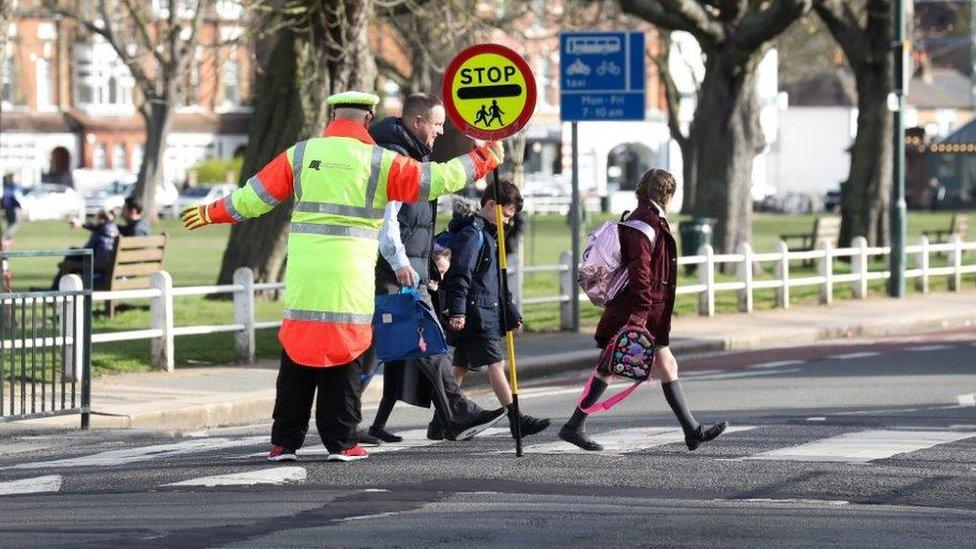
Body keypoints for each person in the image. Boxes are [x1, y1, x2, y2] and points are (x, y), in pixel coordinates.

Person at [181, 90, 503, 463]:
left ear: (332, 114)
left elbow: (255, 196)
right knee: (345, 356)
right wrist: (484, 158)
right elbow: (434, 179)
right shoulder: (380, 161)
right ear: (368, 120)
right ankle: (342, 441)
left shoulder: (302, 154)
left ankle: (284, 442)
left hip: (305, 275)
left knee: (298, 355)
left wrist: (211, 212)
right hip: (349, 279)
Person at [363, 93, 506, 444]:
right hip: (396, 271)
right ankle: (453, 413)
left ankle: (452, 414)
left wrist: (428, 260)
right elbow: (388, 219)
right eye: (438, 124)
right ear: (417, 123)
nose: (441, 132)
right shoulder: (396, 158)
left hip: (409, 268)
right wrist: (400, 264)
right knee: (387, 345)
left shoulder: (410, 154)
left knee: (417, 344)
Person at [559, 168, 728, 451]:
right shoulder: (643, 224)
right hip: (637, 309)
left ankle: (691, 430)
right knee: (608, 367)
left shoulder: (649, 220)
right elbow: (641, 271)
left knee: (663, 364)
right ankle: (574, 425)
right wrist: (640, 311)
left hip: (646, 310)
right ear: (666, 193)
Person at [442, 179, 550, 439]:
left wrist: (510, 313)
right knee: (496, 364)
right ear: (491, 205)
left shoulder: (488, 234)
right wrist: (457, 310)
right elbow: (461, 275)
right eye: (506, 215)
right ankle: (516, 419)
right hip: (477, 313)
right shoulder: (474, 234)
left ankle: (442, 420)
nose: (507, 222)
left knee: (461, 366)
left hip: (479, 309)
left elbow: (497, 281)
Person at [53, 209, 119, 288]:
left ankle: (55, 289)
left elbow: (89, 251)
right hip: (109, 271)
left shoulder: (100, 232)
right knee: (73, 254)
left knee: (71, 258)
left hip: (100, 272)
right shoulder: (114, 230)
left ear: (100, 219)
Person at [1, 173, 23, 246]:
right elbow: (14, 197)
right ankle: (5, 238)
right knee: (16, 223)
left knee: (11, 224)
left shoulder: (6, 187)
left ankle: (7, 241)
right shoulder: (12, 186)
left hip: (7, 209)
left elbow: (4, 199)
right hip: (12, 209)